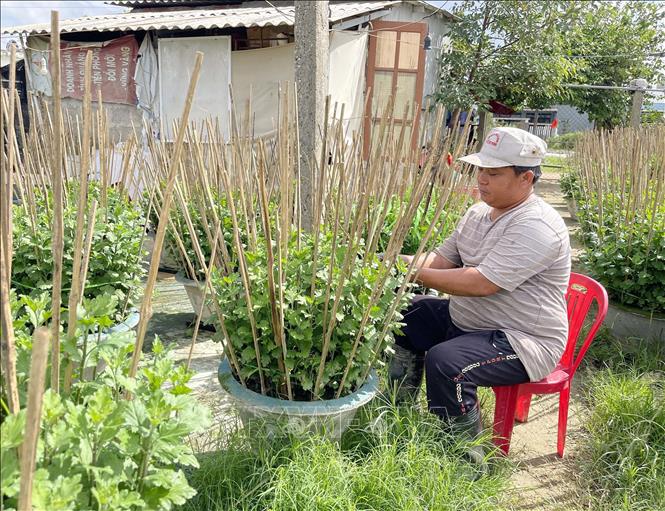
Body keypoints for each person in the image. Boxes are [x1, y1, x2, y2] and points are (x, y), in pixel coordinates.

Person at [389, 127, 571, 462]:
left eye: (494, 173)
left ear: (526, 178)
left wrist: (409, 272)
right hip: (469, 320)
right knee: (403, 316)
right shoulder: (477, 213)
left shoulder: (537, 226)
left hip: (522, 340)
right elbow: (441, 261)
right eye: (480, 170)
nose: (482, 179)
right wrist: (386, 261)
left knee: (446, 362)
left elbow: (482, 283)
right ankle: (397, 415)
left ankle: (462, 460)